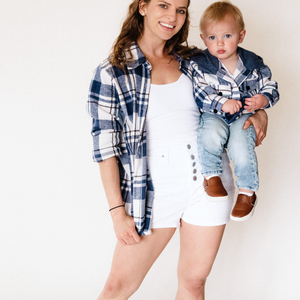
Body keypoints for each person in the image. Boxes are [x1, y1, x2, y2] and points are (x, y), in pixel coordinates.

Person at [87, 0, 268, 299]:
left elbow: (243, 92)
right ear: (143, 7)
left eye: (181, 9)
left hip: (210, 185)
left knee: (193, 283)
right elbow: (105, 147)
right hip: (154, 192)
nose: (173, 16)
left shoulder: (198, 60)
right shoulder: (113, 71)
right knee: (117, 287)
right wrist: (118, 212)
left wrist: (261, 115)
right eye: (164, 5)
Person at [190, 1, 279, 221]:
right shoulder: (200, 64)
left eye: (227, 36)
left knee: (242, 145)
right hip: (214, 114)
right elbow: (200, 93)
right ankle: (212, 177)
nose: (219, 43)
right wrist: (221, 103)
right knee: (209, 134)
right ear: (203, 39)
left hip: (243, 117)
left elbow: (271, 86)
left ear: (241, 36)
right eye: (212, 38)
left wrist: (263, 100)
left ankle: (247, 192)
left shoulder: (253, 63)